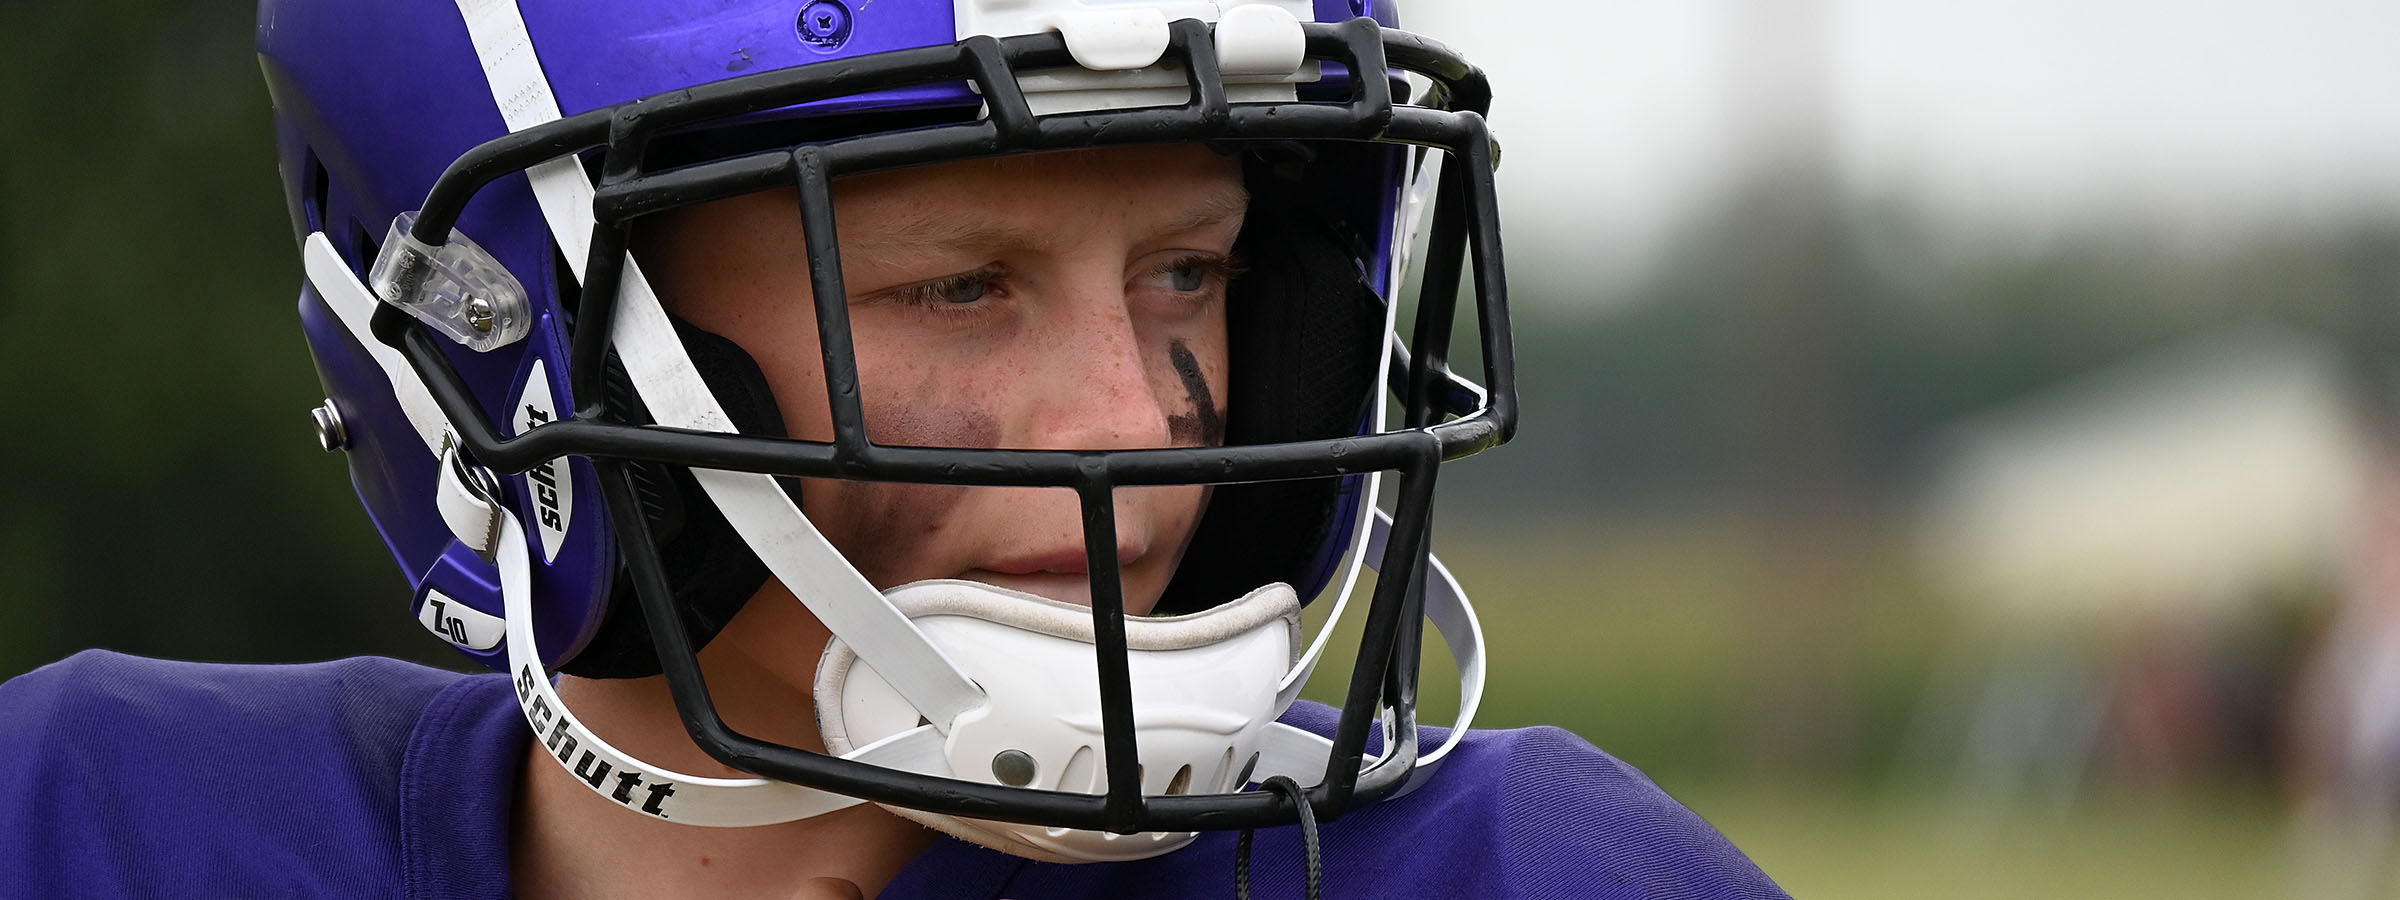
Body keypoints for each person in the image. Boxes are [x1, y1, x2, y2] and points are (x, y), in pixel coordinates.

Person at [0, 0, 1788, 897]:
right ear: (502, 331)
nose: (1126, 425)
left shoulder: (1529, 875)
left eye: (1195, 268)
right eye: (956, 289)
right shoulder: (90, 830)